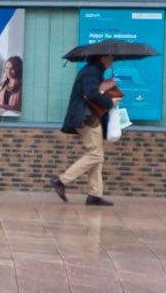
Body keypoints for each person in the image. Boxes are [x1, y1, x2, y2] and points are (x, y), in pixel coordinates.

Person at [52, 56, 123, 207]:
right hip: (87, 118)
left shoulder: (93, 71)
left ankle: (94, 195)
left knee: (98, 155)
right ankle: (62, 180)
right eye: (111, 59)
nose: (112, 62)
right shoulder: (91, 72)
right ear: (103, 58)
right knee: (95, 154)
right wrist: (110, 102)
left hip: (90, 118)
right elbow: (91, 93)